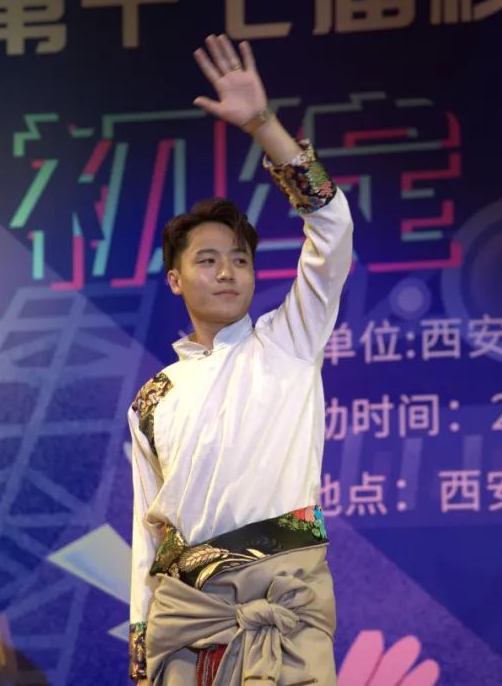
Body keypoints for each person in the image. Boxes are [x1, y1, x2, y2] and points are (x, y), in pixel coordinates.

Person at [126, 34, 353, 686]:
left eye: (240, 259)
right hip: (184, 619)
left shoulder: (288, 340)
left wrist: (262, 126)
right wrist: (141, 644)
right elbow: (147, 534)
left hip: (282, 601)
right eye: (207, 259)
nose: (227, 272)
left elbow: (333, 228)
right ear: (175, 279)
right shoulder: (153, 397)